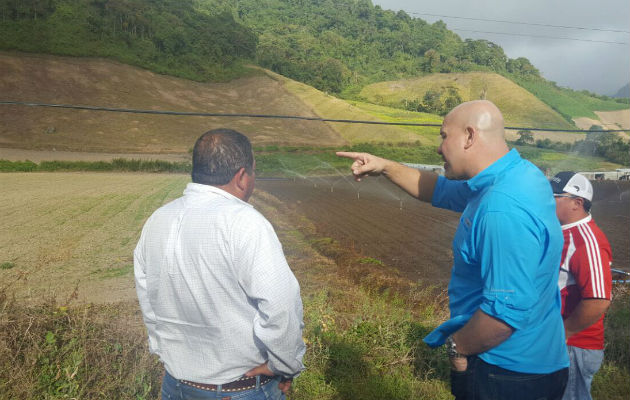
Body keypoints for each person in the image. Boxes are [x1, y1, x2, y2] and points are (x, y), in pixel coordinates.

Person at [337, 100, 569, 400]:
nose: (439, 148)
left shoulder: (500, 209)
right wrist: (385, 166)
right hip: (536, 360)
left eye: (444, 136)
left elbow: (504, 316)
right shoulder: (520, 175)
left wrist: (458, 348)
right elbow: (441, 191)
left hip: (505, 373)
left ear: (470, 136)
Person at [134, 128, 305, 400]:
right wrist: (284, 365)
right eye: (253, 173)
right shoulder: (246, 223)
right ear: (241, 176)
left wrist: (165, 352)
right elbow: (280, 306)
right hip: (240, 390)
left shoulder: (157, 220)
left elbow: (149, 301)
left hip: (175, 385)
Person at [550, 171, 613, 400]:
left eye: (555, 196)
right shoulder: (564, 232)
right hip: (562, 341)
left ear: (577, 203)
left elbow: (598, 301)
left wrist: (564, 333)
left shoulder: (587, 242)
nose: (547, 201)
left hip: (574, 345)